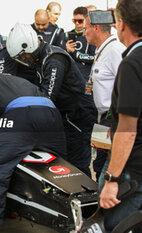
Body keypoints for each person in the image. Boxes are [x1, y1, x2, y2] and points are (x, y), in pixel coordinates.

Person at [0, 72, 67, 233]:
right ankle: (74, 221)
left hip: (22, 116)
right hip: (52, 113)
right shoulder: (10, 79)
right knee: (58, 171)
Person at [6, 23, 92, 176]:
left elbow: (47, 97)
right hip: (64, 114)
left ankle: (89, 197)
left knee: (77, 163)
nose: (24, 59)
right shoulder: (40, 57)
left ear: (29, 46)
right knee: (64, 161)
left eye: (23, 56)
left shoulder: (54, 59)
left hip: (76, 115)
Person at [99, 0, 142, 231]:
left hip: (131, 174)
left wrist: (112, 181)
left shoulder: (133, 63)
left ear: (121, 24)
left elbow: (128, 130)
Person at [83, 10, 125, 180]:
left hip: (113, 118)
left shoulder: (115, 50)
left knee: (104, 167)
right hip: (102, 119)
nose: (84, 33)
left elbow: (129, 85)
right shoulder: (102, 50)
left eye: (86, 28)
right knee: (98, 164)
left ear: (97, 28)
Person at [65, 6, 98, 179]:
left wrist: (75, 54)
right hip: (73, 90)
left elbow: (94, 58)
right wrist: (66, 51)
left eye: (80, 21)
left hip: (90, 91)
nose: (77, 25)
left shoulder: (92, 35)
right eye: (74, 20)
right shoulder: (68, 35)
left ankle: (91, 161)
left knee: (89, 128)